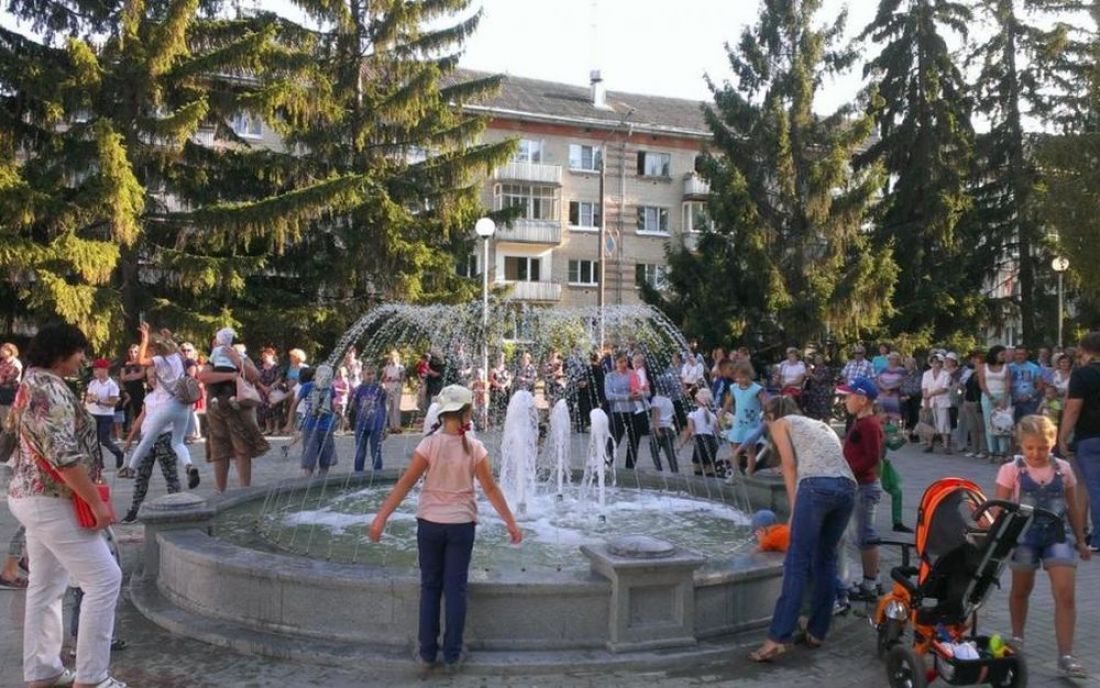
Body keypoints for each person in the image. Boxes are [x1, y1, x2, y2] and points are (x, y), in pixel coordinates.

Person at [368, 385, 522, 675]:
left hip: (429, 525)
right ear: (466, 414)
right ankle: (452, 654)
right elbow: (490, 489)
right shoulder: (475, 448)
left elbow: (405, 484)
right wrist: (511, 523)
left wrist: (380, 518)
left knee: (430, 587)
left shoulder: (429, 445)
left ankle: (427, 652)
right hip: (461, 527)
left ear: (442, 413)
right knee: (456, 589)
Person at [6, 323, 126, 688]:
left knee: (46, 586)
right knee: (104, 579)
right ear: (61, 352)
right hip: (52, 500)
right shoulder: (48, 389)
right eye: (78, 353)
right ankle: (92, 678)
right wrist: (95, 502)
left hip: (29, 496)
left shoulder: (30, 382)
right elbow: (63, 456)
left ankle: (43, 672)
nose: (82, 361)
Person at [748, 396, 856, 663]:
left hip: (816, 487)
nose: (765, 422)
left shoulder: (780, 423)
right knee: (825, 560)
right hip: (847, 488)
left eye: (765, 417)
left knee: (796, 562)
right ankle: (817, 632)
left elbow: (789, 464)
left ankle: (778, 638)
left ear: (772, 415)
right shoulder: (820, 425)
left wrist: (795, 508)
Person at [995, 415, 1090, 679]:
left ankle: (1066, 655)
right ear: (1020, 445)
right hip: (1023, 537)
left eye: (1043, 447)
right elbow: (1000, 510)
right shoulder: (1011, 469)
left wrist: (1081, 540)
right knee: (1021, 589)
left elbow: (1072, 506)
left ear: (1052, 443)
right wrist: (994, 539)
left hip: (1058, 535)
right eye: (1030, 448)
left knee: (1065, 593)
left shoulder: (1063, 468)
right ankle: (1017, 637)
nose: (1037, 453)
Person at [119, 323, 197, 489]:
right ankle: (189, 465)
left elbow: (139, 361)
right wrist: (168, 337)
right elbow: (172, 346)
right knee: (178, 442)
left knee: (147, 439)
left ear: (155, 349)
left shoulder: (159, 361)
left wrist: (145, 338)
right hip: (183, 406)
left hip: (167, 407)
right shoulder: (177, 358)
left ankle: (130, 468)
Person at [197, 330, 269, 492]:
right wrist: (231, 376)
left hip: (240, 410)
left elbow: (255, 376)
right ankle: (219, 490)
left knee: (242, 448)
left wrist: (237, 360)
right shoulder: (213, 359)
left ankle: (245, 490)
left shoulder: (240, 356)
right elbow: (203, 377)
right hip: (216, 410)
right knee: (219, 450)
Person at [837, 378, 884, 599]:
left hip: (864, 486)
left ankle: (870, 585)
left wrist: (850, 471)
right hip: (859, 484)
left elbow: (873, 456)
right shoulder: (860, 421)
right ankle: (876, 577)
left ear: (863, 400)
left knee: (865, 535)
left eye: (849, 396)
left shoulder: (870, 425)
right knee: (862, 534)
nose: (845, 400)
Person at [120, 369, 182, 523]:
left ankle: (178, 508)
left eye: (156, 376)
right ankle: (134, 509)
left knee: (170, 474)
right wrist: (129, 440)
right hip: (146, 439)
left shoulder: (171, 396)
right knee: (142, 475)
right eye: (150, 378)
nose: (153, 380)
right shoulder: (149, 398)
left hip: (164, 437)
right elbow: (141, 418)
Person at [1059, 331, 1100, 552]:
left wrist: (1062, 435)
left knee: (1095, 487)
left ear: (1083, 350)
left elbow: (1073, 408)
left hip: (1090, 436)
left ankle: (1098, 539)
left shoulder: (1083, 374)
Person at [289, 365, 337, 478]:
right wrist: (290, 422)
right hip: (310, 426)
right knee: (309, 453)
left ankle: (323, 476)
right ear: (315, 376)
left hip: (326, 426)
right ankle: (309, 478)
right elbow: (295, 403)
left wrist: (337, 416)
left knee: (326, 452)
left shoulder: (330, 388)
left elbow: (331, 404)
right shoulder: (307, 387)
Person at [874, 401, 911, 533]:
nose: (886, 416)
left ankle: (897, 522)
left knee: (896, 492)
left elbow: (892, 446)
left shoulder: (884, 428)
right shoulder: (874, 428)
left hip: (883, 464)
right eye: (882, 413)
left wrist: (903, 440)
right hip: (873, 466)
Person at [604, 353, 644, 469]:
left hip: (633, 411)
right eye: (620, 362)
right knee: (613, 439)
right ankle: (607, 464)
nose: (623, 364)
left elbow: (643, 390)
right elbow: (609, 395)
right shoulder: (610, 376)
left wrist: (640, 394)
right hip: (618, 412)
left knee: (634, 441)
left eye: (625, 361)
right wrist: (627, 397)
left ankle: (630, 467)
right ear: (615, 363)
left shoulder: (633, 374)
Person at [83, 359, 125, 471]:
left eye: (97, 369)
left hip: (106, 415)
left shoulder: (112, 385)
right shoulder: (93, 383)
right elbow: (88, 397)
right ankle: (99, 462)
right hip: (93, 413)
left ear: (105, 370)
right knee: (94, 440)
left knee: (104, 438)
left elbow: (112, 403)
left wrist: (99, 401)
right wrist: (90, 399)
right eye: (94, 370)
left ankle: (118, 453)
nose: (95, 372)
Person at [350, 365, 387, 472]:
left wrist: (384, 425)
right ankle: (358, 473)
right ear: (363, 375)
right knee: (360, 451)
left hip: (376, 424)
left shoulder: (379, 389)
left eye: (372, 374)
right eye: (368, 374)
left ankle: (377, 474)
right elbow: (353, 404)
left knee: (376, 451)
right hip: (361, 425)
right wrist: (360, 414)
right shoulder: (358, 389)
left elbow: (383, 406)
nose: (371, 376)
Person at [979, 345, 1013, 462]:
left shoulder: (1006, 368)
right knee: (990, 424)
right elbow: (982, 383)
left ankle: (1003, 451)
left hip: (1003, 396)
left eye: (1005, 354)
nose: (1004, 356)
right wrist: (991, 398)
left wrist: (1004, 399)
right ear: (994, 354)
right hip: (988, 397)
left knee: (1003, 424)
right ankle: (992, 451)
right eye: (1002, 354)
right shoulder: (983, 367)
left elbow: (1008, 383)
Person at [726, 361, 765, 457]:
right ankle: (735, 470)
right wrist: (722, 413)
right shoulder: (735, 388)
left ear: (750, 375)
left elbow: (764, 403)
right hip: (739, 423)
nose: (740, 380)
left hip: (752, 425)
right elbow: (729, 402)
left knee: (751, 450)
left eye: (743, 377)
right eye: (737, 378)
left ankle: (750, 471)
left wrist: (768, 414)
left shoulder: (756, 389)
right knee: (735, 447)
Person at [682, 388, 719, 477]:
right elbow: (717, 432)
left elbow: (690, 430)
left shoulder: (692, 414)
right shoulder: (713, 416)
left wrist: (681, 445)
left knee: (697, 474)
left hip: (699, 442)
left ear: (696, 401)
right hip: (711, 442)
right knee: (710, 473)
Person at [921, 353, 953, 454]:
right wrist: (926, 400)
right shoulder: (926, 373)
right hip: (929, 401)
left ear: (941, 363)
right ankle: (930, 445)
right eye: (934, 362)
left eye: (938, 362)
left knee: (943, 423)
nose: (936, 364)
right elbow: (924, 387)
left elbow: (944, 388)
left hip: (942, 401)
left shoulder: (946, 374)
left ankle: (946, 446)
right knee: (930, 423)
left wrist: (931, 394)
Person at [648, 381, 678, 472]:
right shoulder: (669, 401)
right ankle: (675, 471)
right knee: (670, 453)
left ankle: (659, 470)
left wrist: (656, 429)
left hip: (659, 427)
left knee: (654, 451)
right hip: (669, 428)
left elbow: (655, 414)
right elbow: (672, 415)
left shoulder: (656, 399)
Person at [1009, 346, 1045, 421]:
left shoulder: (1034, 367)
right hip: (1013, 401)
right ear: (1014, 355)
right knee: (1013, 426)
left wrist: (1030, 396)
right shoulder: (1008, 367)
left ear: (1027, 355)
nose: (1019, 356)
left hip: (1029, 402)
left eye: (1022, 354)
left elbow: (1040, 385)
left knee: (1029, 425)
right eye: (1017, 354)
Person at [119, 344, 146, 434]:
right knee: (125, 409)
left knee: (139, 409)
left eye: (135, 352)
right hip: (127, 390)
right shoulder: (125, 363)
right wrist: (133, 376)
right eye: (131, 352)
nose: (133, 354)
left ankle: (140, 430)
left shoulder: (141, 362)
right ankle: (125, 431)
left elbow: (141, 375)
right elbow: (123, 377)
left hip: (138, 389)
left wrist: (129, 376)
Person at [803, 353, 834, 421]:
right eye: (816, 359)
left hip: (822, 394)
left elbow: (820, 379)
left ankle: (827, 429)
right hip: (813, 394)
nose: (817, 360)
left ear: (822, 360)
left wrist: (811, 374)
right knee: (814, 415)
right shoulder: (814, 369)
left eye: (819, 359)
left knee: (824, 414)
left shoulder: (825, 369)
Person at [381, 351, 405, 433]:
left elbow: (402, 379)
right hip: (388, 388)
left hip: (396, 388)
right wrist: (386, 380)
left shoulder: (400, 368)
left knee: (396, 408)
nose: (392, 359)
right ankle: (391, 426)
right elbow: (382, 378)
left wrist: (395, 379)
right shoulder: (387, 368)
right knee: (389, 408)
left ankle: (397, 426)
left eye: (393, 357)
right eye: (391, 358)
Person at [0, 341, 23, 424]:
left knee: (8, 419)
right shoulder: (2, 363)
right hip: (2, 392)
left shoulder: (16, 364)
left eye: (3, 350)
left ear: (10, 351)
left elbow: (8, 379)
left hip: (9, 393)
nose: (1, 352)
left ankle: (10, 434)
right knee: (2, 416)